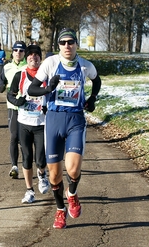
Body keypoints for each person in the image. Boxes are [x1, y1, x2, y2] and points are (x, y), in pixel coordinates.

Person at [27, 28, 101, 229]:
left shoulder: (85, 66)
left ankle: (73, 194)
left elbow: (97, 80)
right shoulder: (50, 64)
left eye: (71, 42)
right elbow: (32, 89)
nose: (67, 46)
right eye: (63, 42)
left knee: (74, 168)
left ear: (76, 44)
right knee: (54, 175)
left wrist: (93, 99)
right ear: (58, 45)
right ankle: (60, 210)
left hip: (75, 120)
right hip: (54, 120)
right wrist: (48, 89)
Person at [7, 45, 50, 203]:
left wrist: (48, 106)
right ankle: (29, 191)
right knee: (26, 158)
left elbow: (54, 93)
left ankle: (42, 174)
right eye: (30, 55)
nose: (33, 57)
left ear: (40, 58)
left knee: (40, 159)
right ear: (27, 58)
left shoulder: (47, 75)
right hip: (23, 122)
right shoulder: (20, 75)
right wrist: (17, 101)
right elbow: (10, 94)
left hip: (42, 123)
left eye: (37, 55)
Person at [0, 41, 27, 179]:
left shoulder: (29, 66)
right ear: (12, 51)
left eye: (21, 51)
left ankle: (28, 165)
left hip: (27, 107)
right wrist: (1, 84)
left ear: (25, 53)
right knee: (14, 136)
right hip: (12, 107)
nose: (18, 53)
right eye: (15, 50)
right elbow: (1, 83)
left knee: (25, 139)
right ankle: (14, 166)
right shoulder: (7, 67)